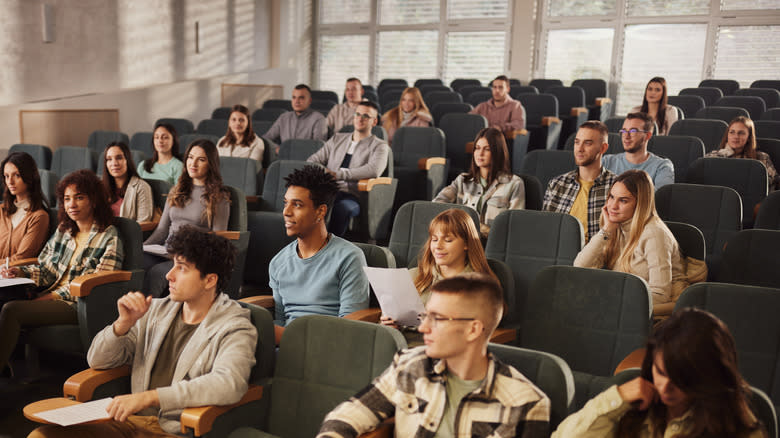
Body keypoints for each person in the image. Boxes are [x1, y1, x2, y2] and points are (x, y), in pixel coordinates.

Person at [27, 227, 257, 438]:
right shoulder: (156, 309)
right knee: (42, 436)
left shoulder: (234, 324)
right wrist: (123, 324)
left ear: (209, 280)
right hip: (130, 423)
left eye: (182, 268)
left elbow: (229, 383)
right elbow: (97, 359)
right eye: (173, 264)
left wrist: (150, 397)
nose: (169, 275)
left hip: (177, 430)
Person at [317, 273, 551, 438]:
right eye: (425, 317)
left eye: (437, 319)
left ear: (473, 329)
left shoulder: (526, 404)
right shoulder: (410, 364)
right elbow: (350, 413)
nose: (423, 328)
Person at [552, 308, 767, 438]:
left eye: (682, 381)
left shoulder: (736, 426)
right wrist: (614, 399)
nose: (664, 387)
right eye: (661, 372)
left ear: (708, 379)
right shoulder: (628, 405)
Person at [0, 169, 123, 372]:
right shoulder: (64, 230)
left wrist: (50, 297)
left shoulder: (109, 236)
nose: (71, 204)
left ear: (93, 200)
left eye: (79, 198)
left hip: (77, 304)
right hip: (49, 295)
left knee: (11, 310)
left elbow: (98, 282)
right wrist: (21, 273)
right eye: (66, 199)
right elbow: (46, 267)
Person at [269, 165, 369, 326]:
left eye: (297, 205)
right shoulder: (278, 262)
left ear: (321, 212)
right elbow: (280, 320)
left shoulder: (350, 257)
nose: (286, 212)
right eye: (285, 203)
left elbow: (351, 326)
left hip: (328, 344)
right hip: (285, 345)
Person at [380, 209, 497, 344]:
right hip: (399, 347)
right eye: (434, 239)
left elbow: (477, 334)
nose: (438, 246)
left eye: (448, 240)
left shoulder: (479, 286)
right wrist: (390, 325)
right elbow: (389, 324)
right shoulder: (413, 275)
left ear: (466, 243)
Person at [573, 170, 688, 305]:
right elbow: (580, 266)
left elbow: (660, 295)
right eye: (611, 197)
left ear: (640, 203)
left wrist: (613, 301)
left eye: (623, 200)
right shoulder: (615, 226)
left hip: (644, 309)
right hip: (622, 299)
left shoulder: (654, 234)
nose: (613, 206)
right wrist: (605, 231)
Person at [144, 139, 230, 298]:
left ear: (211, 164)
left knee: (158, 272)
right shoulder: (176, 190)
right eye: (190, 157)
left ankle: (151, 315)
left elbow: (218, 240)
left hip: (191, 256)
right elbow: (162, 230)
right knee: (137, 263)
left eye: (201, 159)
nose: (193, 163)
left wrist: (186, 254)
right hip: (166, 250)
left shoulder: (218, 197)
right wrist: (142, 247)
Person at [307, 100, 389, 236]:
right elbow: (313, 161)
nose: (360, 118)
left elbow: (374, 169)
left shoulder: (379, 145)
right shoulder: (337, 139)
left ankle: (330, 248)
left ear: (374, 122)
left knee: (341, 209)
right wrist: (325, 174)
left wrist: (338, 175)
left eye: (366, 116)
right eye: (357, 114)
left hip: (353, 196)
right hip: (327, 191)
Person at [433, 127, 525, 238]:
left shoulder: (514, 184)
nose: (480, 153)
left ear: (497, 152)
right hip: (462, 242)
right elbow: (436, 205)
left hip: (493, 246)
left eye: (487, 149)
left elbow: (514, 228)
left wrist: (475, 227)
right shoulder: (462, 180)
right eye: (477, 148)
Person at [544, 121, 617, 242]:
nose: (580, 149)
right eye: (577, 142)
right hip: (559, 252)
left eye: (587, 143)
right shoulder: (557, 184)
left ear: (603, 148)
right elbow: (546, 229)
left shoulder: (616, 186)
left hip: (598, 255)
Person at [602, 112, 675, 189]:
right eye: (624, 131)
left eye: (633, 131)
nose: (626, 136)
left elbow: (661, 197)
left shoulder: (662, 166)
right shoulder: (607, 161)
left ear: (647, 135)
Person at [706, 116, 779, 191]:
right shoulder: (714, 156)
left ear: (749, 137)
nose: (736, 136)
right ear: (727, 135)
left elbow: (773, 186)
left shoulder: (762, 158)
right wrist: (726, 153)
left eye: (741, 133)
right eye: (732, 132)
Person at [0, 152, 49, 263]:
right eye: (7, 176)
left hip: (16, 277)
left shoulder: (39, 217)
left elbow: (21, 259)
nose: (10, 181)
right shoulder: (1, 210)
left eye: (17, 175)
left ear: (29, 177)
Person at [102, 142, 154, 222]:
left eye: (119, 158)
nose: (114, 163)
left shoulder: (142, 187)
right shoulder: (101, 187)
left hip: (128, 234)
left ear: (127, 160)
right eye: (109, 159)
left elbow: (143, 222)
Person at [216, 104, 265, 170]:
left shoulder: (258, 143)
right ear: (229, 123)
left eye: (241, 120)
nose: (237, 123)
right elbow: (215, 166)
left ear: (248, 123)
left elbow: (251, 169)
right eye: (233, 120)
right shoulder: (221, 141)